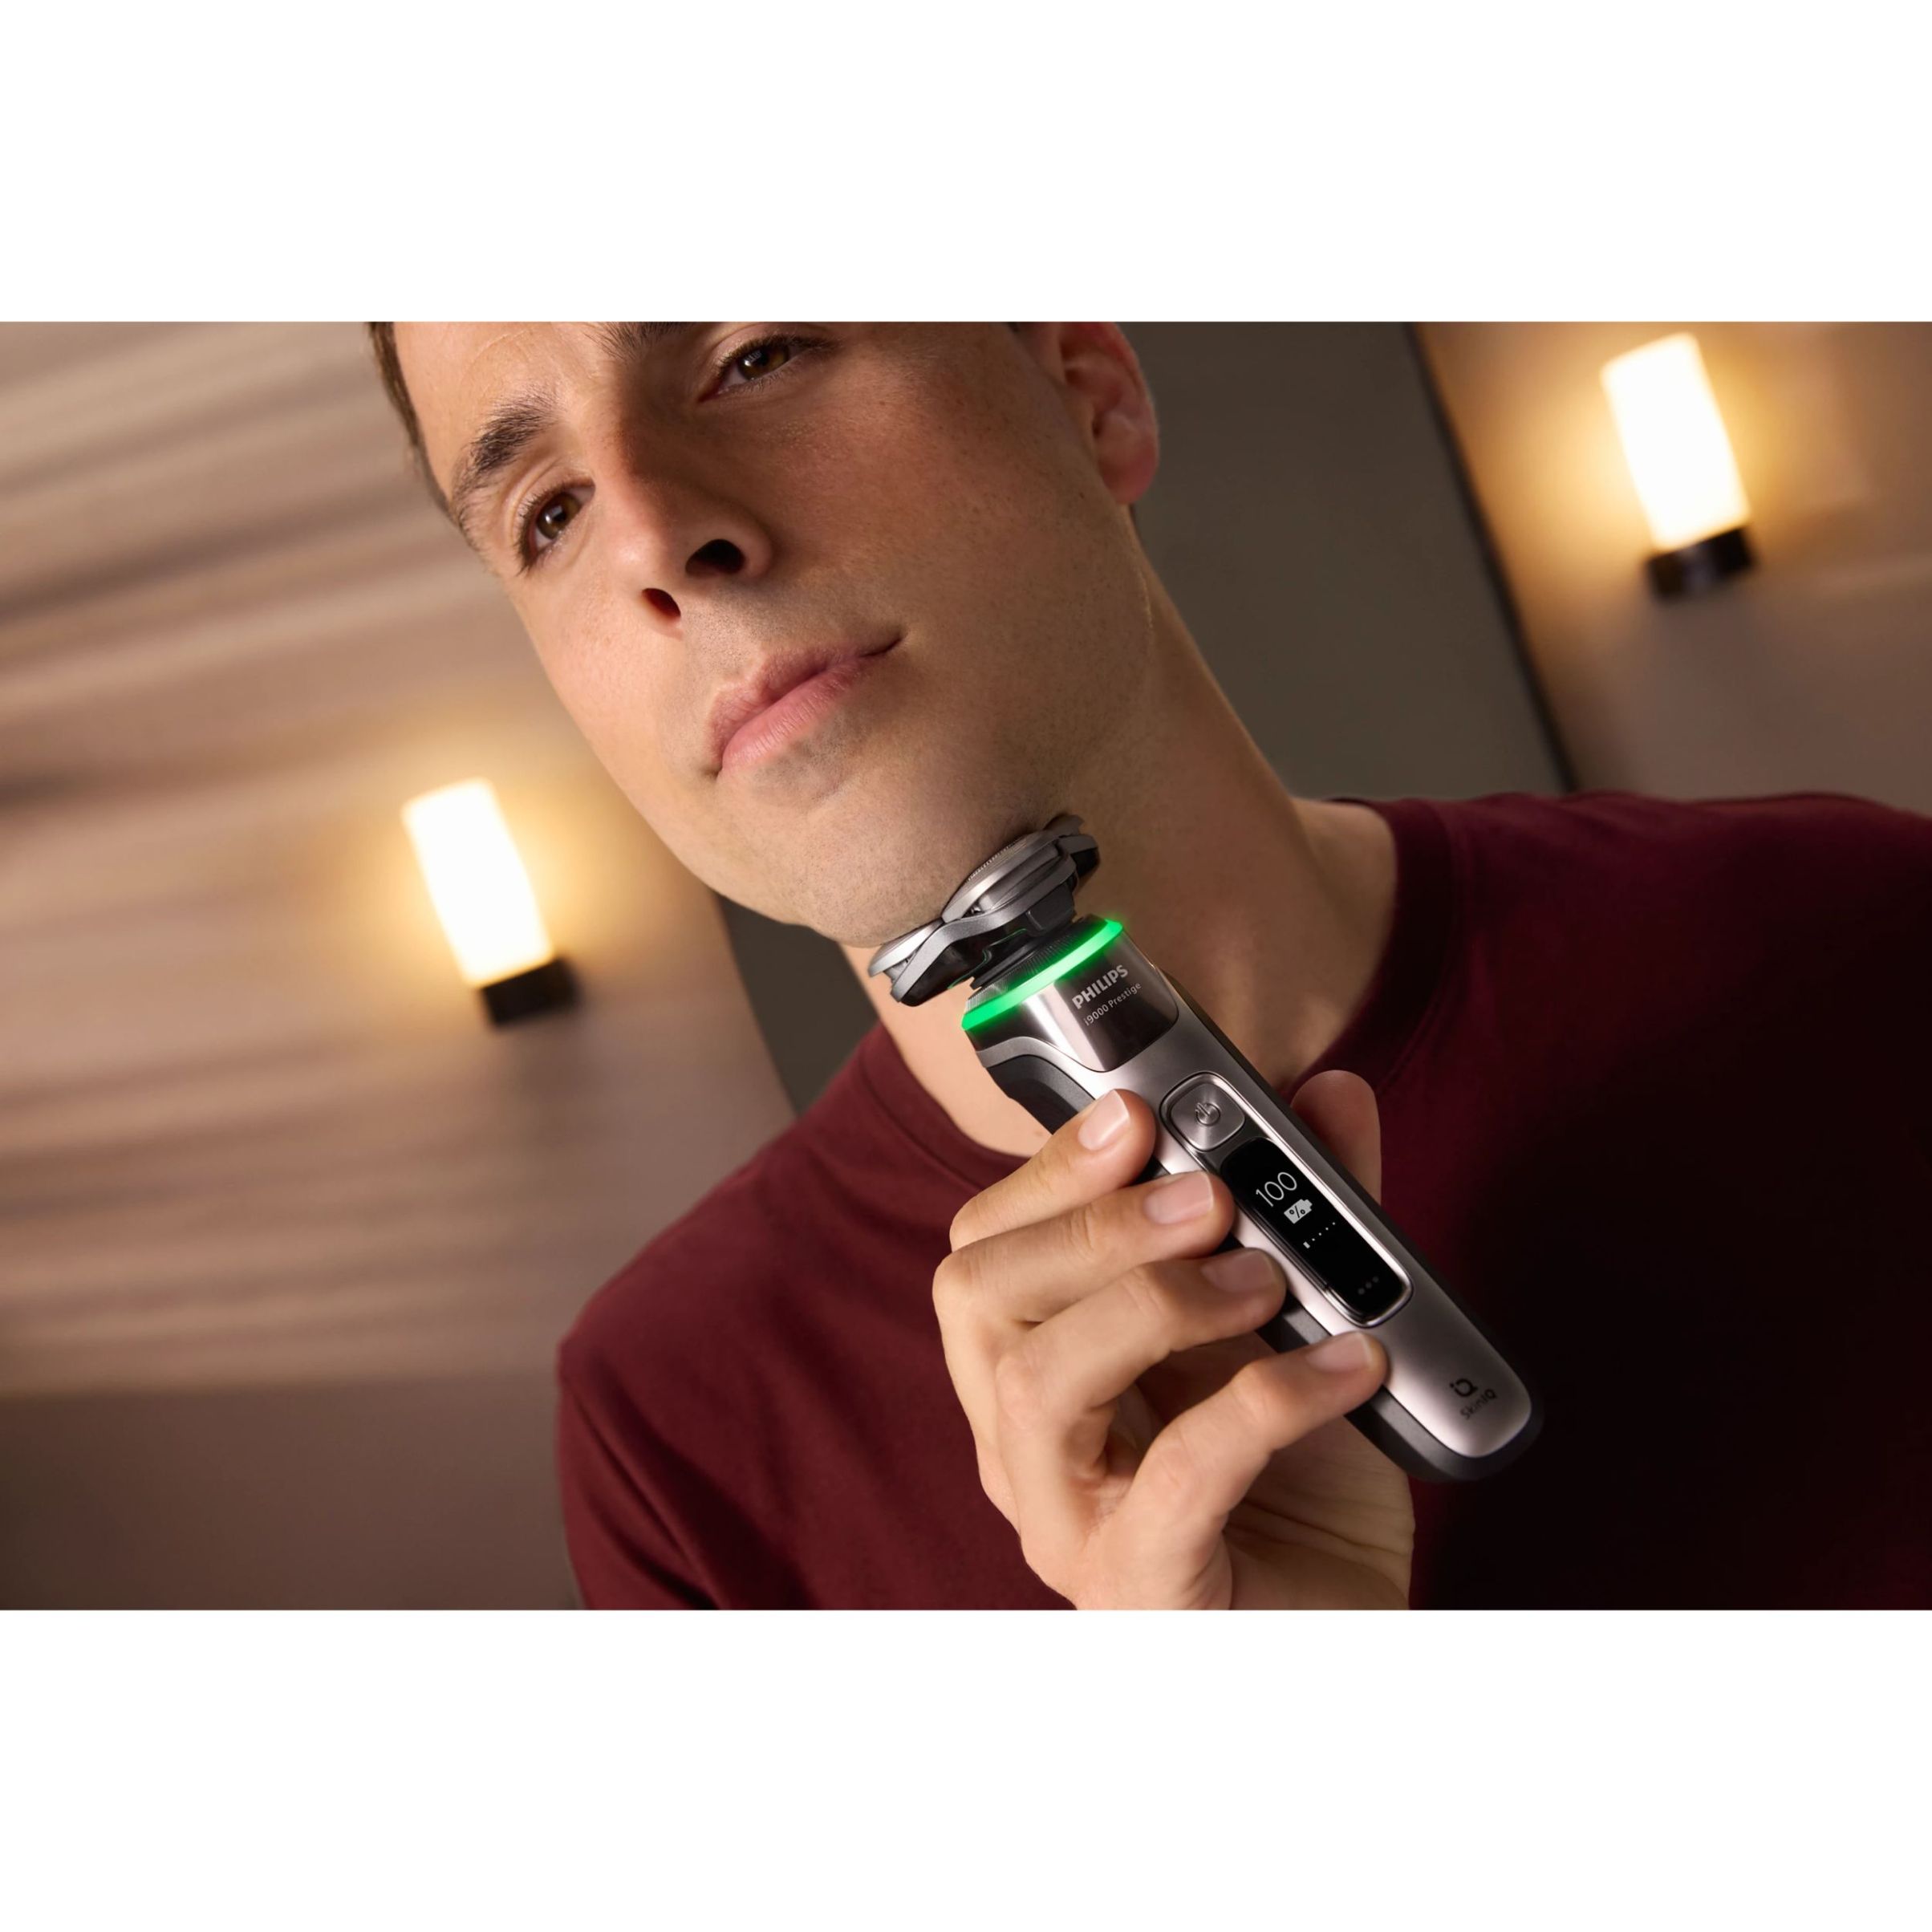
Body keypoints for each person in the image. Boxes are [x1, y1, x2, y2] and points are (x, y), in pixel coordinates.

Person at [371, 323, 1932, 1609]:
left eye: (754, 354)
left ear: (1085, 386)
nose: (654, 539)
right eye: (548, 513)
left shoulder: (1859, 934)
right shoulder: (676, 1438)